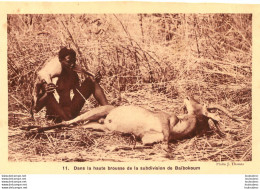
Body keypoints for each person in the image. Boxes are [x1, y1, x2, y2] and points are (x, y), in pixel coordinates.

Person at [31, 47, 108, 123]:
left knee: (92, 81)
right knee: (50, 94)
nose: (72, 65)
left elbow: (78, 94)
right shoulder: (49, 79)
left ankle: (108, 111)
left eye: (74, 61)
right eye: (68, 62)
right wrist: (47, 93)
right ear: (60, 60)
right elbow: (36, 108)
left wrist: (95, 81)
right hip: (57, 116)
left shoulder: (72, 74)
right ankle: (68, 120)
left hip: (70, 112)